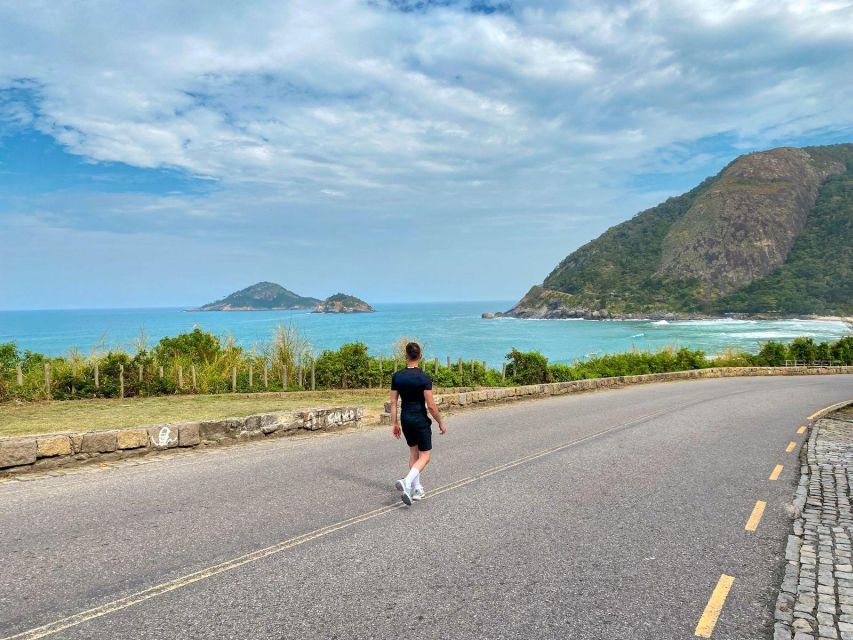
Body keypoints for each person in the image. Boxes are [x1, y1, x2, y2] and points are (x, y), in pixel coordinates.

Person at [390, 342, 447, 505]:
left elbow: (393, 402)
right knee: (425, 457)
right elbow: (431, 405)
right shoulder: (424, 377)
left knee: (414, 453)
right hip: (420, 419)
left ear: (405, 355)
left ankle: (416, 489)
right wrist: (440, 422)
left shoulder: (397, 376)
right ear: (420, 356)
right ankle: (407, 482)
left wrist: (394, 423)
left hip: (405, 418)